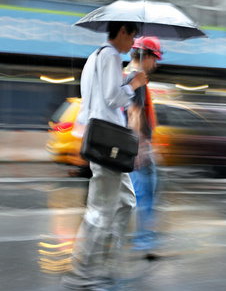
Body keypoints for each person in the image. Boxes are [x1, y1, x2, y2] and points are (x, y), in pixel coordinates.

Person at [61, 21, 147, 290]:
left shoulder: (94, 57)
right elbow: (112, 99)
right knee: (99, 211)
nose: (132, 44)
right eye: (132, 36)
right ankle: (82, 270)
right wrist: (133, 85)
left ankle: (109, 259)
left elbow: (96, 96)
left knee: (127, 203)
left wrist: (127, 79)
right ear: (122, 31)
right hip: (109, 143)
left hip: (101, 140)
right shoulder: (110, 55)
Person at [122, 36, 162, 261]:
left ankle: (142, 239)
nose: (156, 63)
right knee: (144, 196)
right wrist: (140, 148)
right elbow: (134, 113)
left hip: (138, 146)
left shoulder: (132, 75)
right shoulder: (136, 77)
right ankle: (143, 242)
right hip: (139, 147)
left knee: (143, 195)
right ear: (145, 56)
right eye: (154, 58)